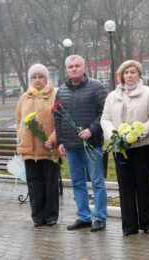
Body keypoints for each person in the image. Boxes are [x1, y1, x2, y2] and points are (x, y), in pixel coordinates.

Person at [101, 60, 149, 236]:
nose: (130, 75)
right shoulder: (112, 96)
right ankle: (129, 225)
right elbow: (105, 118)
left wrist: (137, 133)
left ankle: (147, 223)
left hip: (143, 146)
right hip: (120, 148)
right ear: (121, 75)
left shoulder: (148, 93)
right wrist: (114, 135)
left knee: (143, 184)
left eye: (133, 72)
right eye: (126, 72)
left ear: (139, 74)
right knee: (125, 186)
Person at [54, 55, 108, 232]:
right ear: (66, 69)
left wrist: (91, 129)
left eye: (77, 66)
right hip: (71, 146)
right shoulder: (61, 90)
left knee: (97, 182)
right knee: (77, 182)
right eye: (70, 67)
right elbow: (58, 117)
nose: (74, 69)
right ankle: (84, 217)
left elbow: (104, 113)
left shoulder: (97, 87)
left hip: (92, 145)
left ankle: (100, 218)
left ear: (84, 67)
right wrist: (60, 141)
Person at [16, 64, 60, 227]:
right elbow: (19, 120)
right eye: (34, 77)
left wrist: (53, 139)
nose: (37, 80)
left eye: (41, 77)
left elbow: (60, 121)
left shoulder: (54, 95)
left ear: (46, 78)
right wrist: (21, 138)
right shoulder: (24, 97)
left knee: (50, 183)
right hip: (29, 151)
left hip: (48, 149)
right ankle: (37, 216)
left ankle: (51, 216)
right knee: (34, 184)